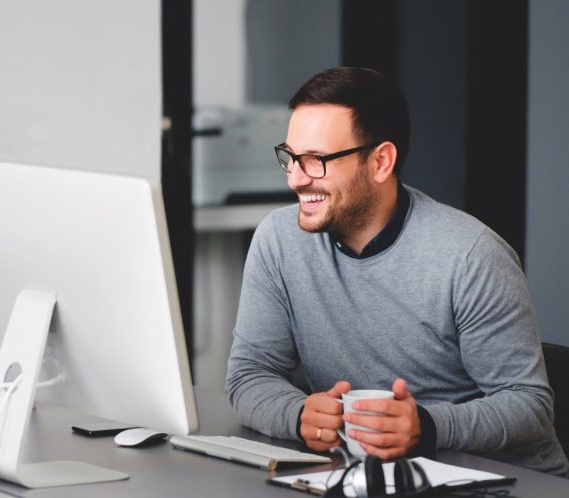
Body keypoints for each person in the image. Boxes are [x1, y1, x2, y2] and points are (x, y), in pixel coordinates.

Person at [225, 67, 569, 476]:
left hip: (504, 480)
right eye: (291, 156)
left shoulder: (471, 256)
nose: (295, 179)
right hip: (368, 474)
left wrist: (426, 426)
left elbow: (528, 405)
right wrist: (297, 414)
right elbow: (250, 373)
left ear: (381, 161)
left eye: (315, 160)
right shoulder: (278, 241)